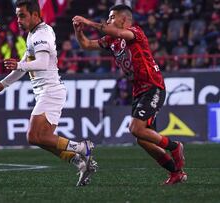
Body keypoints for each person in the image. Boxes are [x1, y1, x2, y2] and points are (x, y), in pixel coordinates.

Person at [72, 4, 186, 185]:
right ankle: (176, 173)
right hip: (139, 90)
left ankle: (175, 147)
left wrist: (88, 22)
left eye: (111, 17)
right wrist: (79, 31)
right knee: (144, 139)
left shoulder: (135, 32)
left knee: (136, 129)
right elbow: (86, 45)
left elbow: (118, 33)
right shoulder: (112, 40)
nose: (108, 20)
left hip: (152, 86)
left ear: (123, 19)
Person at [0, 0, 97, 186]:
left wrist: (19, 65)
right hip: (47, 92)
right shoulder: (33, 34)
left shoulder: (42, 34)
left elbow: (42, 63)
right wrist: (3, 84)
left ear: (36, 15)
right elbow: (24, 65)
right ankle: (80, 163)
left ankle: (81, 147)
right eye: (17, 16)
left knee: (34, 136)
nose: (18, 20)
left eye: (22, 15)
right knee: (43, 140)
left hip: (50, 91)